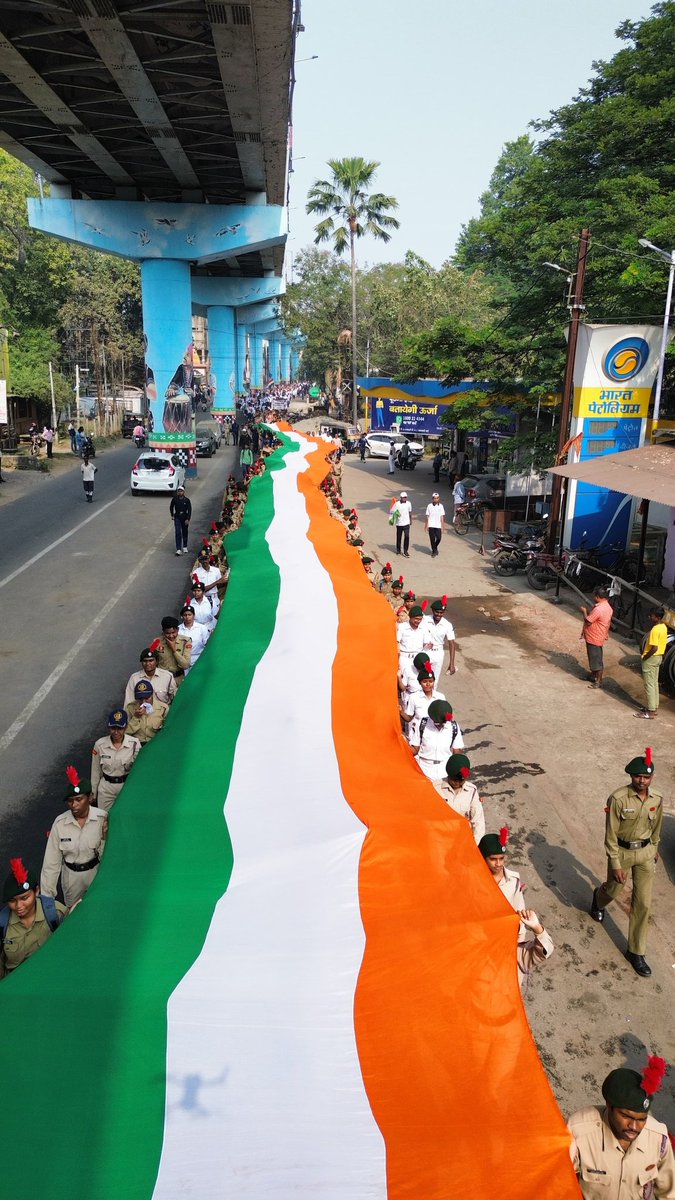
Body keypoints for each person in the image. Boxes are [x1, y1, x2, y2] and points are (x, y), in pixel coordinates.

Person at [590, 749, 663, 977]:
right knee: (613, 889)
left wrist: (655, 848)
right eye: (638, 776)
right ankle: (598, 899)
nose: (642, 781)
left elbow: (657, 827)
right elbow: (610, 834)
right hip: (621, 852)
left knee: (643, 903)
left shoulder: (657, 799)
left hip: (645, 853)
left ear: (651, 778)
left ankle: (636, 951)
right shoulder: (618, 798)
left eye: (646, 777)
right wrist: (615, 863)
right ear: (631, 777)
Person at [568, 1059, 674, 1199]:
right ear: (609, 1105)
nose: (634, 1127)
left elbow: (669, 1194)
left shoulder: (658, 1139)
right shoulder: (578, 1133)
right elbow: (557, 1185)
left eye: (642, 1119)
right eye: (626, 1116)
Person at [41, 768, 107, 907]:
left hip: (96, 873)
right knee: (72, 914)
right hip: (72, 878)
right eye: (70, 801)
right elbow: (51, 863)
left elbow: (108, 853)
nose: (74, 805)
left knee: (99, 907)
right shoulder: (60, 824)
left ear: (89, 798)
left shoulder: (103, 818)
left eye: (79, 799)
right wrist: (47, 899)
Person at [0, 858, 67, 979]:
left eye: (24, 898)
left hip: (51, 978)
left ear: (36, 891)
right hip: (16, 986)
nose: (19, 906)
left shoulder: (55, 914)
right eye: (12, 901)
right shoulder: (2, 924)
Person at [90, 710, 141, 813]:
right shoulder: (100, 745)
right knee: (103, 818)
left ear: (125, 727)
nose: (116, 732)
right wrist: (93, 792)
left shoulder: (134, 744)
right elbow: (95, 770)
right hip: (106, 789)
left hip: (126, 787)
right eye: (113, 728)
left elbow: (138, 770)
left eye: (120, 728)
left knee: (126, 815)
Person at [434, 753, 485, 843]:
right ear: (448, 774)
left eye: (461, 780)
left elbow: (478, 821)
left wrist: (475, 846)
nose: (457, 783)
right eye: (454, 779)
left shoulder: (471, 790)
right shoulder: (436, 788)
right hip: (440, 839)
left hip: (462, 841)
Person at [477, 827, 526, 913]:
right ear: (482, 858)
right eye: (493, 859)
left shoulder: (514, 881)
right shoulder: (473, 880)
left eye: (501, 858)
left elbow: (519, 910)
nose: (498, 864)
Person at [414, 699, 465, 781]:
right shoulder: (422, 724)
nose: (440, 725)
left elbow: (457, 751)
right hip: (424, 769)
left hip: (444, 771)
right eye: (437, 722)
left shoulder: (453, 727)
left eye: (443, 722)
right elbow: (414, 749)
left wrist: (457, 770)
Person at [401, 666, 446, 749]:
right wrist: (400, 712)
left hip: (434, 733)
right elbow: (409, 718)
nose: (428, 684)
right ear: (419, 682)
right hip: (417, 735)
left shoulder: (441, 697)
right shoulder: (414, 697)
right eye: (424, 681)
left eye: (431, 681)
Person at [637, 606, 668, 718]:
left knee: (649, 684)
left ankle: (650, 711)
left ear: (658, 617)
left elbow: (654, 648)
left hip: (651, 658)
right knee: (654, 683)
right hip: (658, 657)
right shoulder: (664, 627)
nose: (650, 617)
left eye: (652, 616)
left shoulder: (655, 630)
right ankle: (654, 707)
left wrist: (645, 657)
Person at [580, 586, 613, 689]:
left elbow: (588, 621)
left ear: (598, 597)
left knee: (596, 660)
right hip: (598, 636)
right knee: (594, 658)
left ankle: (598, 681)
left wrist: (584, 611)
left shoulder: (599, 609)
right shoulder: (608, 607)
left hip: (594, 637)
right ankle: (593, 675)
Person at [124, 679, 168, 744]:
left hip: (156, 744)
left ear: (152, 695)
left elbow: (167, 731)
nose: (143, 702)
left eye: (147, 698)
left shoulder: (163, 708)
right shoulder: (130, 708)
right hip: (136, 744)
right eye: (140, 699)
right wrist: (136, 717)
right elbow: (125, 732)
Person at [422, 596, 457, 678]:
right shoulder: (425, 620)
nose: (439, 614)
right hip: (425, 651)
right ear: (433, 611)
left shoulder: (447, 624)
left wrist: (451, 664)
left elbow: (452, 644)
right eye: (437, 612)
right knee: (422, 678)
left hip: (438, 654)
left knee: (435, 679)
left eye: (441, 612)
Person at [154, 616, 192, 682]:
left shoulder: (185, 641)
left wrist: (174, 650)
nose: (171, 636)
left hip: (178, 679)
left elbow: (186, 665)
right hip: (162, 679)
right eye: (167, 633)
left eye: (173, 632)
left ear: (178, 630)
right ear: (163, 631)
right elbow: (151, 661)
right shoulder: (156, 642)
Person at [178, 602, 210, 671]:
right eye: (185, 615)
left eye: (190, 615)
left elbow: (206, 643)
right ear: (182, 616)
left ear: (194, 616)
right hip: (183, 660)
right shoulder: (178, 629)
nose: (187, 617)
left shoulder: (202, 628)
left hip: (198, 658)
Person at [396, 604, 426, 673]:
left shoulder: (423, 628)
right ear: (410, 617)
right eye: (416, 619)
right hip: (404, 659)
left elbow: (426, 644)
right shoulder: (402, 627)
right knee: (403, 681)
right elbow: (397, 642)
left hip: (418, 659)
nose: (418, 621)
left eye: (420, 619)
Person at [169, 484, 192, 555]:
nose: (180, 492)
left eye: (181, 491)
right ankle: (178, 549)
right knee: (178, 532)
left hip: (184, 517)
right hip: (177, 517)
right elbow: (171, 507)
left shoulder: (187, 500)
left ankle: (185, 546)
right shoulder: (174, 499)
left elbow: (189, 510)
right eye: (179, 491)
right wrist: (172, 515)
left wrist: (188, 519)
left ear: (184, 492)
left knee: (185, 532)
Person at [424, 492, 446, 556]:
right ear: (432, 499)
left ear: (439, 498)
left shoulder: (441, 506)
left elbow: (442, 517)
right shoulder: (429, 506)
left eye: (437, 498)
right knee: (432, 538)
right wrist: (426, 526)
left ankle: (435, 547)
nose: (435, 499)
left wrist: (443, 526)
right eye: (434, 498)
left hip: (438, 525)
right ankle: (434, 551)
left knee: (439, 538)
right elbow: (427, 516)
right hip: (431, 525)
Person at [393, 490, 413, 557]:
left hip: (406, 523)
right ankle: (398, 550)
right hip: (399, 523)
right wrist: (395, 517)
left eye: (405, 497)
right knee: (399, 537)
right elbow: (394, 512)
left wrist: (411, 520)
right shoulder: (397, 504)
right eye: (403, 497)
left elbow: (410, 512)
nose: (404, 498)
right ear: (400, 497)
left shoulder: (409, 503)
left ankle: (405, 551)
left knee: (407, 536)